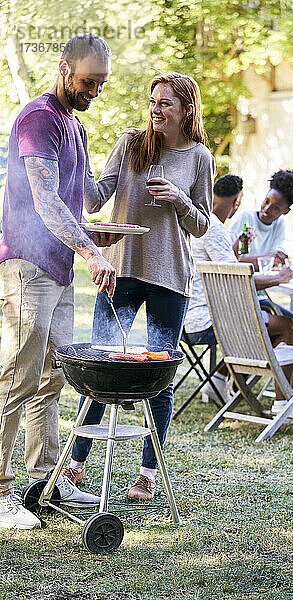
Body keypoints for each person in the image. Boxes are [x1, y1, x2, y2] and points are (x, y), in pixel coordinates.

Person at [62, 72, 215, 500]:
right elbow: (94, 197)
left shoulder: (200, 157)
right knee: (100, 367)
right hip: (121, 268)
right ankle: (75, 464)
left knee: (160, 376)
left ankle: (148, 473)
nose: (156, 109)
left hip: (170, 276)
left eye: (166, 103)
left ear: (187, 109)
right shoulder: (131, 142)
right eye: (153, 101)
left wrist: (179, 200)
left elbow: (201, 225)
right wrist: (76, 162)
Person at [0, 34, 120, 530]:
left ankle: (45, 480)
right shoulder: (38, 120)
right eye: (89, 82)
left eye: (102, 85)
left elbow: (87, 198)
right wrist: (91, 250)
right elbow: (46, 200)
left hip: (60, 267)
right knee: (17, 378)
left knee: (53, 378)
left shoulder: (76, 127)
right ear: (64, 68)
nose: (95, 92)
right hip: (28, 265)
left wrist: (123, 153)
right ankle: (2, 490)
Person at [184, 173, 293, 412]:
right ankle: (282, 404)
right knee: (286, 325)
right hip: (207, 320)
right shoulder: (215, 230)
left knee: (273, 318)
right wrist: (279, 277)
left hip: (185, 317)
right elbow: (234, 281)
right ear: (236, 203)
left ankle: (219, 377)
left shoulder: (196, 222)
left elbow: (227, 267)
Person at [227, 169, 293, 269]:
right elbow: (229, 259)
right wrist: (267, 260)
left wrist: (270, 260)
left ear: (286, 211)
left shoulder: (279, 224)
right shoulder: (245, 217)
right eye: (266, 201)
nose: (266, 209)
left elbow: (276, 259)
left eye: (276, 208)